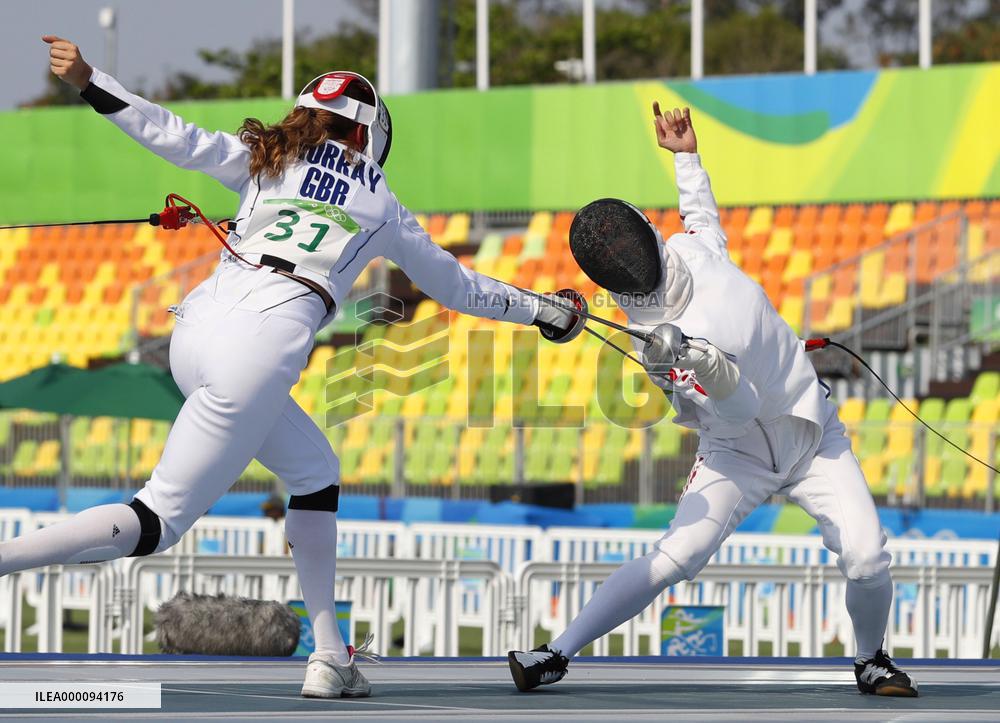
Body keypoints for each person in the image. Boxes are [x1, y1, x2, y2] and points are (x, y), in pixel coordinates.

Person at [0, 36, 579, 698]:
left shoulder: (267, 157)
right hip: (258, 348)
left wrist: (86, 78)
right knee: (156, 521)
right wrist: (543, 311)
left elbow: (170, 134)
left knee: (315, 470)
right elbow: (457, 288)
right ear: (369, 133)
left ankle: (330, 655)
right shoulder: (380, 200)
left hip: (193, 331)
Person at [507, 104, 918, 698]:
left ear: (645, 232)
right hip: (735, 453)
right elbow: (738, 412)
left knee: (866, 557)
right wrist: (706, 367)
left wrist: (686, 156)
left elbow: (701, 216)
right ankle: (555, 653)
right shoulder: (654, 341)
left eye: (627, 242)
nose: (626, 256)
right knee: (676, 555)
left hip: (812, 434)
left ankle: (871, 660)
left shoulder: (692, 251)